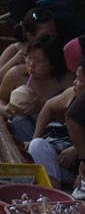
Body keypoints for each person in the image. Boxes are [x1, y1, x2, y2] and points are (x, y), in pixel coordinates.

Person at [0, 32, 73, 141]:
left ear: (53, 63)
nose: (31, 65)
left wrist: (42, 106)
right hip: (26, 130)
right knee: (19, 120)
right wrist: (4, 109)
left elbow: (72, 116)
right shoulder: (17, 74)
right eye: (29, 58)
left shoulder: (66, 80)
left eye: (39, 61)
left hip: (57, 131)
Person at [27, 60, 85, 188]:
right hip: (68, 168)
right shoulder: (73, 93)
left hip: (82, 170)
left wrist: (77, 150)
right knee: (37, 145)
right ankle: (54, 190)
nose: (75, 83)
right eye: (75, 78)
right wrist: (34, 138)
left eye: (80, 80)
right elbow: (48, 107)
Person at [0, 6, 58, 97]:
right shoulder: (15, 50)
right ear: (30, 36)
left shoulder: (55, 50)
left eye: (54, 34)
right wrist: (14, 61)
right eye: (46, 35)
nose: (52, 39)